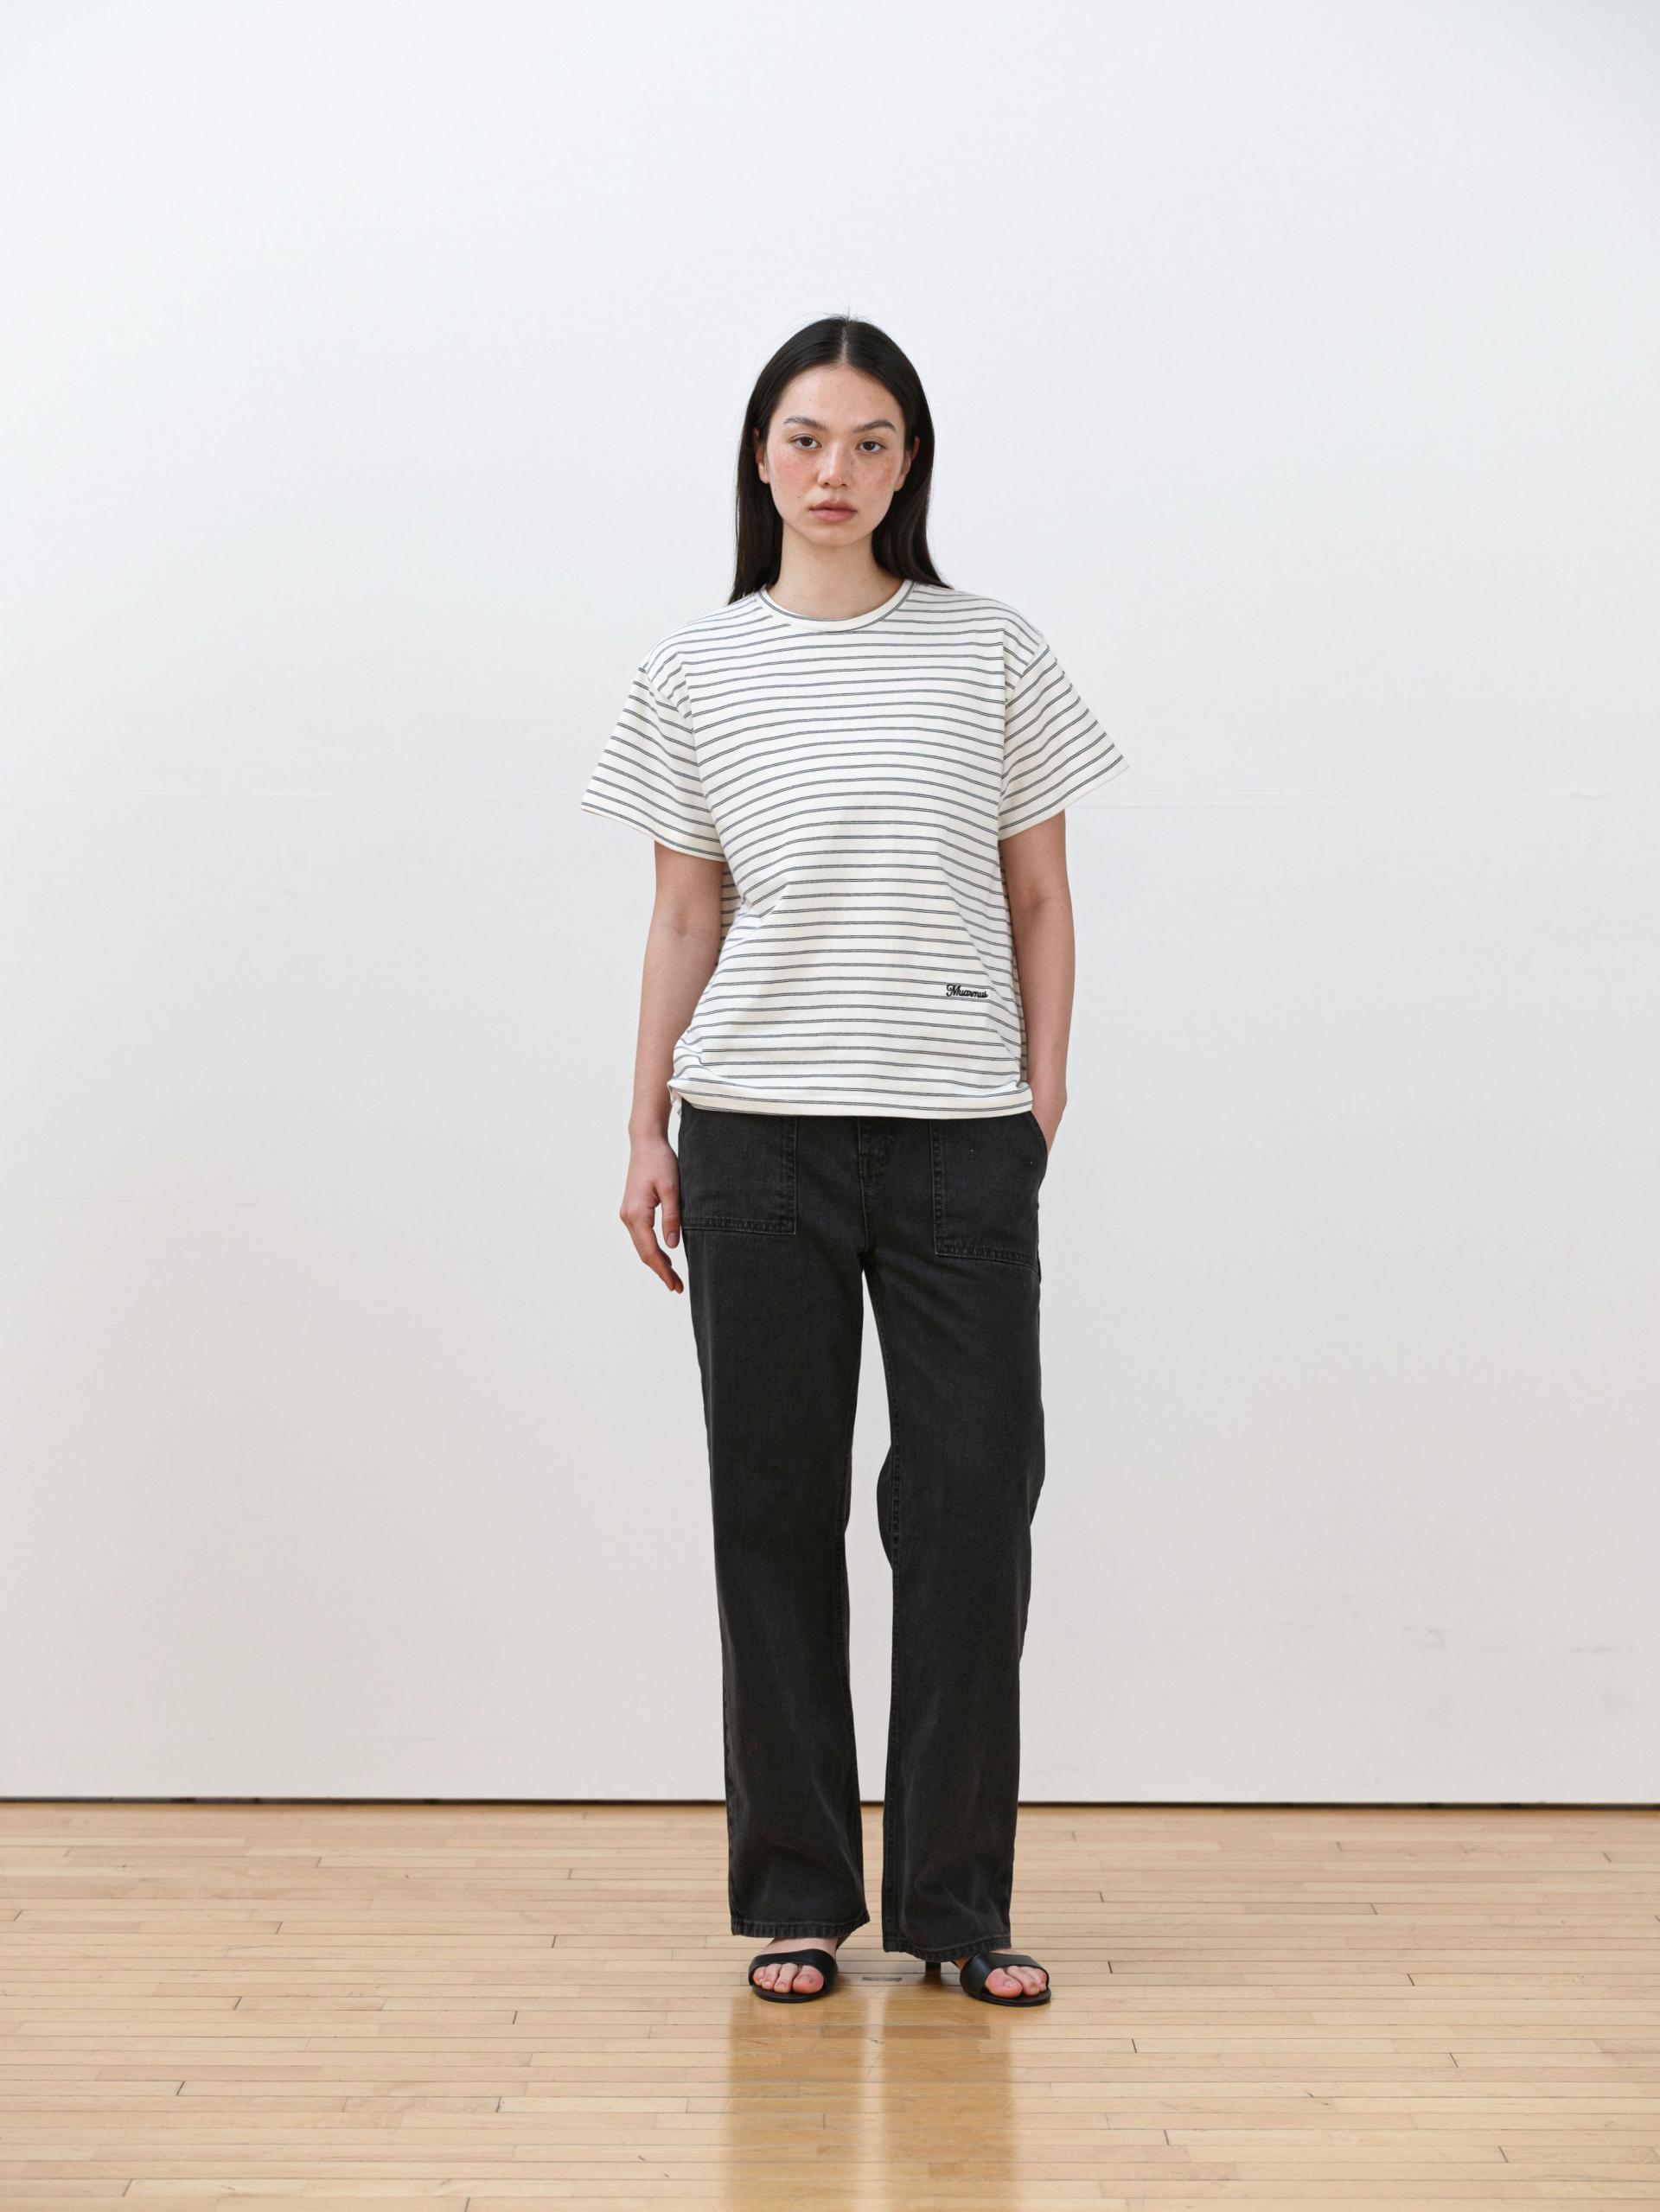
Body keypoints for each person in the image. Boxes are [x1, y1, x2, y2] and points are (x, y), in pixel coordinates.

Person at [579, 315, 1128, 2007]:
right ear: (762, 458)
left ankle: (956, 1907)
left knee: (970, 1507)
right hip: (755, 1136)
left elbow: (1041, 894)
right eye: (808, 437)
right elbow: (687, 910)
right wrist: (645, 1121)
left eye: (872, 440)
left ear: (911, 464)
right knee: (772, 1508)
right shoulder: (698, 665)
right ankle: (800, 1896)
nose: (837, 470)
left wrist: (1038, 1098)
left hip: (960, 1142)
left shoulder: (991, 649)